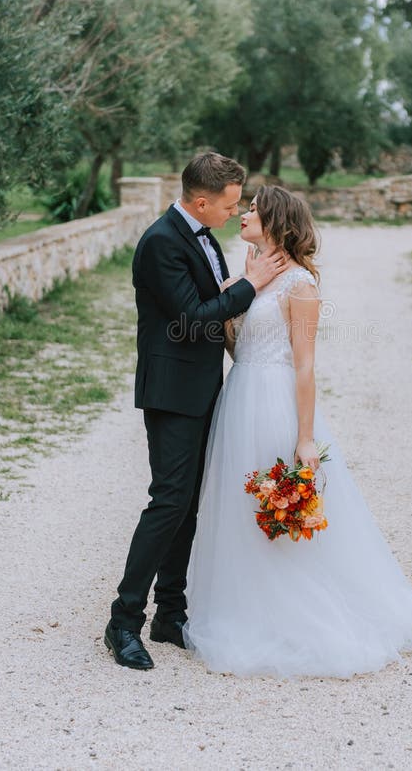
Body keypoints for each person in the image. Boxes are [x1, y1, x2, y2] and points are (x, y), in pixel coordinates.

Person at [183, 185, 412, 678]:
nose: (244, 213)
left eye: (253, 209)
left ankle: (296, 612)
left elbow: (305, 367)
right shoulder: (250, 274)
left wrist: (305, 438)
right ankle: (243, 605)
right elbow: (235, 344)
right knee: (239, 507)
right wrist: (239, 289)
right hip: (239, 396)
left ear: (275, 221)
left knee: (277, 506)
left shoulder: (300, 285)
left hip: (274, 404)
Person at [105, 154, 287, 670]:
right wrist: (252, 285)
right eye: (230, 205)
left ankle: (170, 614)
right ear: (201, 202)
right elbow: (192, 317)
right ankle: (123, 621)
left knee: (189, 504)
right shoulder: (162, 242)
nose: (235, 213)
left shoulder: (203, 237)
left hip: (204, 388)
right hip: (172, 392)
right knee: (168, 501)